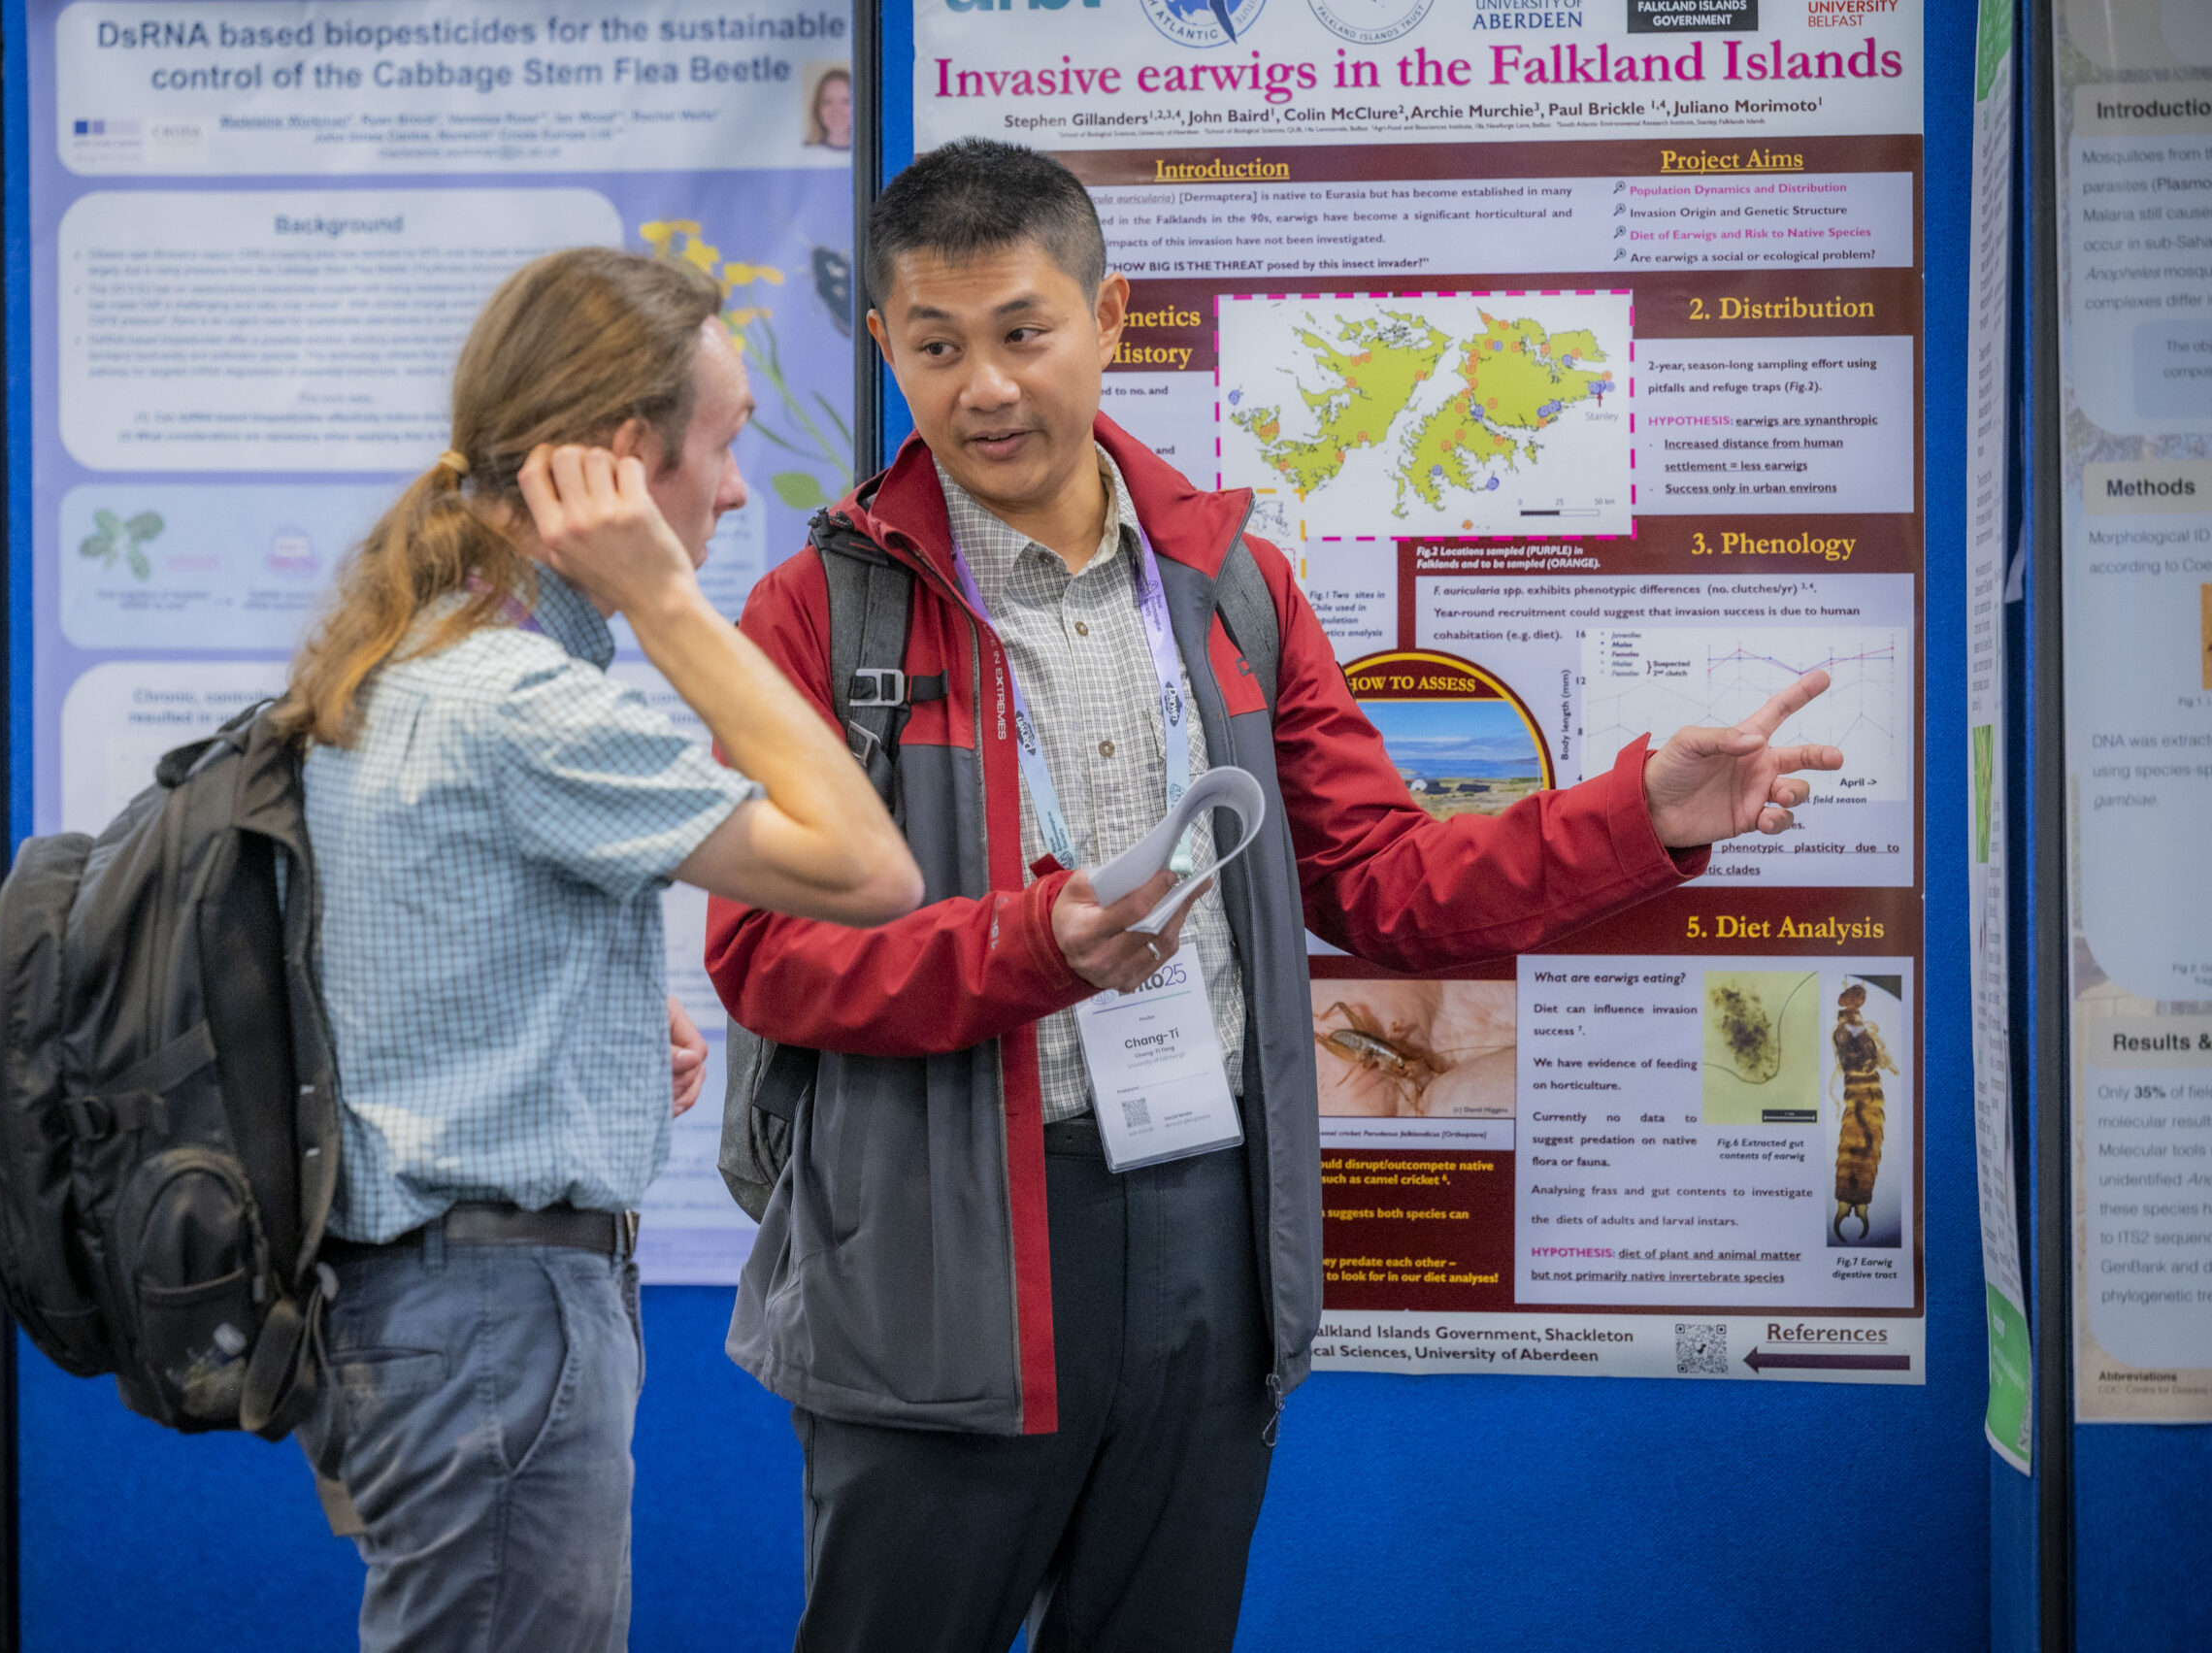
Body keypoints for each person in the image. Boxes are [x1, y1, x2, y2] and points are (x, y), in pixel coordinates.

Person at [705, 140, 1842, 1653]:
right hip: (935, 1247)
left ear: (1113, 315)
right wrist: (1032, 943)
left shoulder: (1235, 585)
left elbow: (1386, 882)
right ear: (887, 345)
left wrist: (1635, 816)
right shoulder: (818, 608)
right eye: (937, 344)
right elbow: (769, 959)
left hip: (1202, 1233)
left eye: (1024, 333)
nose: (983, 386)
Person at [276, 246, 920, 1653]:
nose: (741, 489)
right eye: (727, 443)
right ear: (630, 459)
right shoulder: (519, 701)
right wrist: (666, 601)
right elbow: (871, 865)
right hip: (498, 1321)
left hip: (425, 1309)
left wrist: (599, 1010)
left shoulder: (409, 653)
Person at [804, 64, 851, 150]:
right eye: (827, 102)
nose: (837, 110)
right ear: (818, 109)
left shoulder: (872, 152)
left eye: (846, 101)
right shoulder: (804, 151)